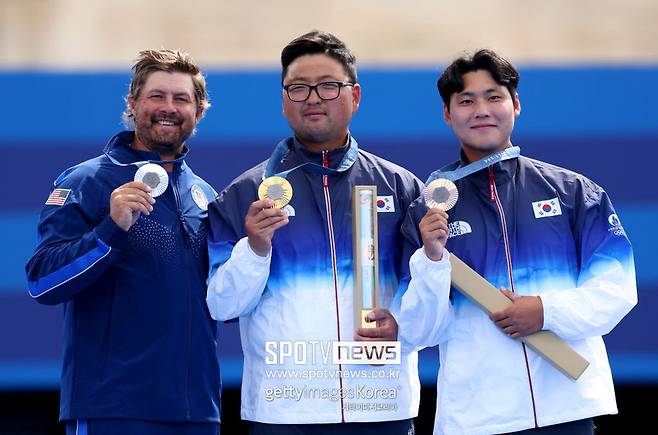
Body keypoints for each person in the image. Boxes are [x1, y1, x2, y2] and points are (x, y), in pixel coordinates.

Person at [397, 49, 638, 434]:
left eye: (494, 97)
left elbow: (617, 291)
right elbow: (417, 331)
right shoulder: (425, 212)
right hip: (477, 416)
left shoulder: (575, 193)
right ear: (447, 113)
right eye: (466, 100)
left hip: (567, 409)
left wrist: (545, 310)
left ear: (516, 104)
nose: (481, 110)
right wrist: (431, 258)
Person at [206, 31, 429, 434]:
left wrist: (402, 324)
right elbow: (221, 306)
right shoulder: (244, 194)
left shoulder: (401, 187)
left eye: (328, 86)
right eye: (298, 88)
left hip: (379, 405)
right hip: (285, 411)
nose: (312, 98)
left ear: (355, 96)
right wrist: (255, 249)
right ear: (283, 99)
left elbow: (428, 297)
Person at [25, 49, 221, 435]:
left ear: (198, 113)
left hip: (197, 413)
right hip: (113, 410)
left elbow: (223, 300)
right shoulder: (86, 181)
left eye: (181, 99)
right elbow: (41, 281)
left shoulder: (205, 195)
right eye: (156, 96)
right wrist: (110, 229)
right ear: (132, 105)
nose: (169, 107)